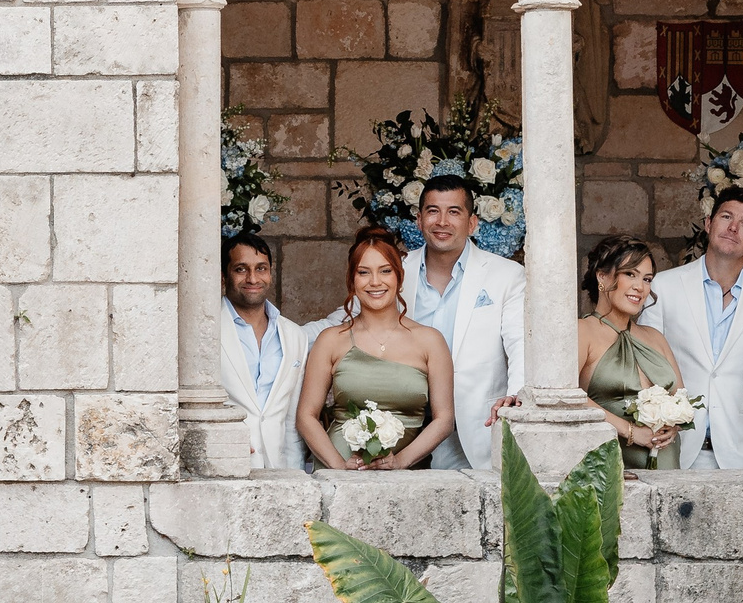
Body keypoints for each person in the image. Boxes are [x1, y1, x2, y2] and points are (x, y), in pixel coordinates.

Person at [315, 178, 522, 469]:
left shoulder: (507, 275)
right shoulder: (397, 268)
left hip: (471, 425)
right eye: (433, 211)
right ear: (419, 220)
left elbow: (520, 342)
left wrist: (516, 393)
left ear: (472, 222)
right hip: (403, 420)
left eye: (454, 212)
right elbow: (351, 316)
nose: (442, 221)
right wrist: (282, 333)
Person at [639, 188, 743, 468]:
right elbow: (647, 362)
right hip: (677, 448)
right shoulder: (663, 287)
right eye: (726, 216)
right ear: (708, 223)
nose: (733, 228)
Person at [296, 230, 454, 472]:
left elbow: (444, 420)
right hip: (341, 468)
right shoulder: (330, 340)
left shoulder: (430, 341)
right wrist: (338, 466)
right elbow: (306, 415)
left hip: (408, 473)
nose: (375, 282)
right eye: (363, 272)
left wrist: (400, 461)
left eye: (385, 271)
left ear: (399, 278)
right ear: (352, 280)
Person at [576, 236, 688, 471]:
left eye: (647, 279)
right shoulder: (581, 331)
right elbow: (567, 398)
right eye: (630, 274)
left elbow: (681, 397)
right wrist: (631, 432)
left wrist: (674, 425)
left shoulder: (655, 337)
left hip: (668, 467)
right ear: (602, 276)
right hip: (614, 473)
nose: (641, 287)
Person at [219, 232, 307, 472]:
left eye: (261, 268)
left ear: (270, 273)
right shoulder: (206, 331)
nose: (252, 278)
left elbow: (291, 420)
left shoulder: (294, 335)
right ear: (223, 276)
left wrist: (293, 474)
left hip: (278, 469)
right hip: (224, 466)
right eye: (240, 269)